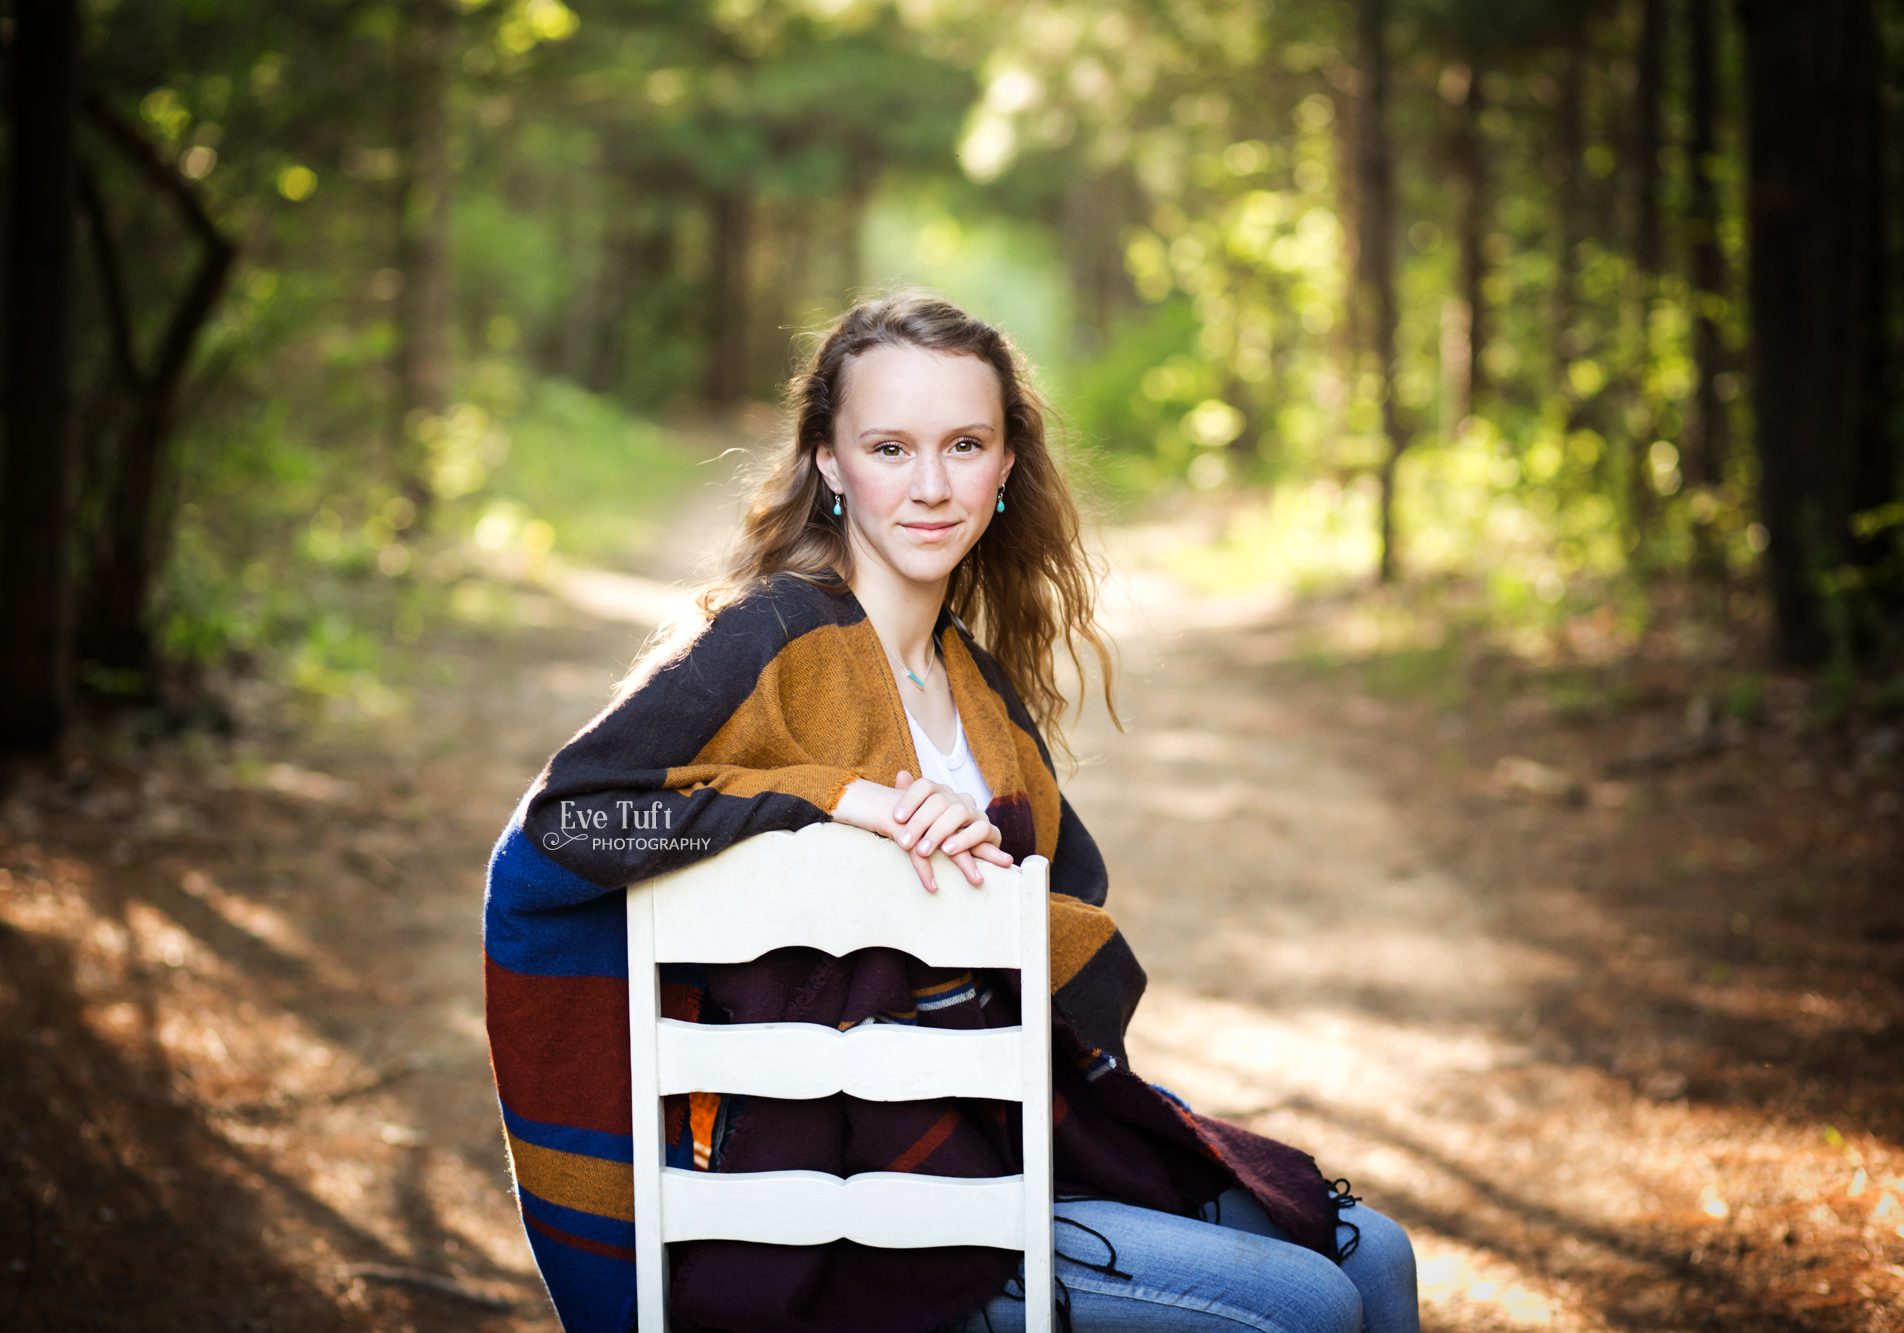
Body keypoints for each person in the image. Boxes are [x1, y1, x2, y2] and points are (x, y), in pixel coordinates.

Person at [482, 290, 1419, 1332]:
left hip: (1005, 1119)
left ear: (1006, 463)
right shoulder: (765, 639)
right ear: (829, 463)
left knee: (1377, 1253)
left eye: (963, 444)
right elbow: (563, 828)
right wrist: (833, 804)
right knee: (1310, 1303)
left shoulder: (972, 683)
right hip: (850, 1193)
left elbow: (1061, 903)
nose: (930, 486)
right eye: (889, 447)